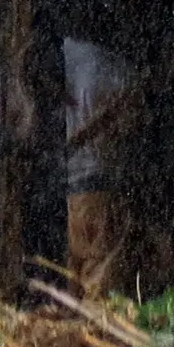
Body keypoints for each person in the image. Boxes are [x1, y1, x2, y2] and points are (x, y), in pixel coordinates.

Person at [58, 36, 134, 295]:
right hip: (99, 179)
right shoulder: (114, 68)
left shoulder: (59, 57)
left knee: (69, 269)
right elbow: (129, 126)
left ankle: (66, 329)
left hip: (66, 183)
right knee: (98, 267)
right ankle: (92, 328)